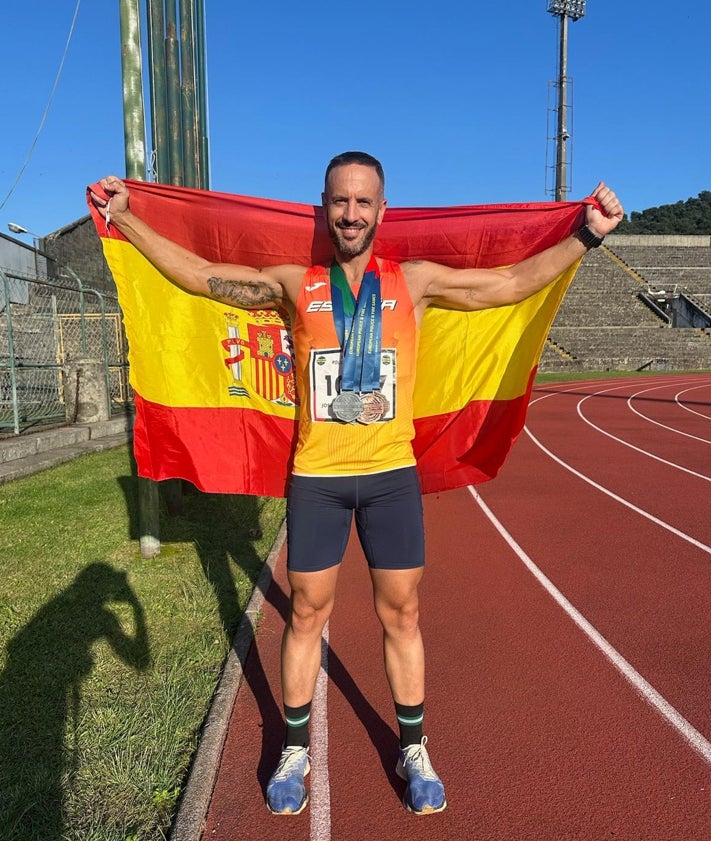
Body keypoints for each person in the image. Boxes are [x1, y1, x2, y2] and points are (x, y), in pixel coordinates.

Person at [90, 153, 623, 816]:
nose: (350, 213)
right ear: (324, 207)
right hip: (318, 478)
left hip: (389, 478)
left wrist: (587, 236)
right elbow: (202, 277)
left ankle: (413, 746)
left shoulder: (415, 282)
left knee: (401, 613)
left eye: (362, 202)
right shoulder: (292, 283)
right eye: (340, 201)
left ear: (381, 210)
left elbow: (508, 283)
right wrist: (128, 220)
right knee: (307, 612)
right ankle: (292, 748)